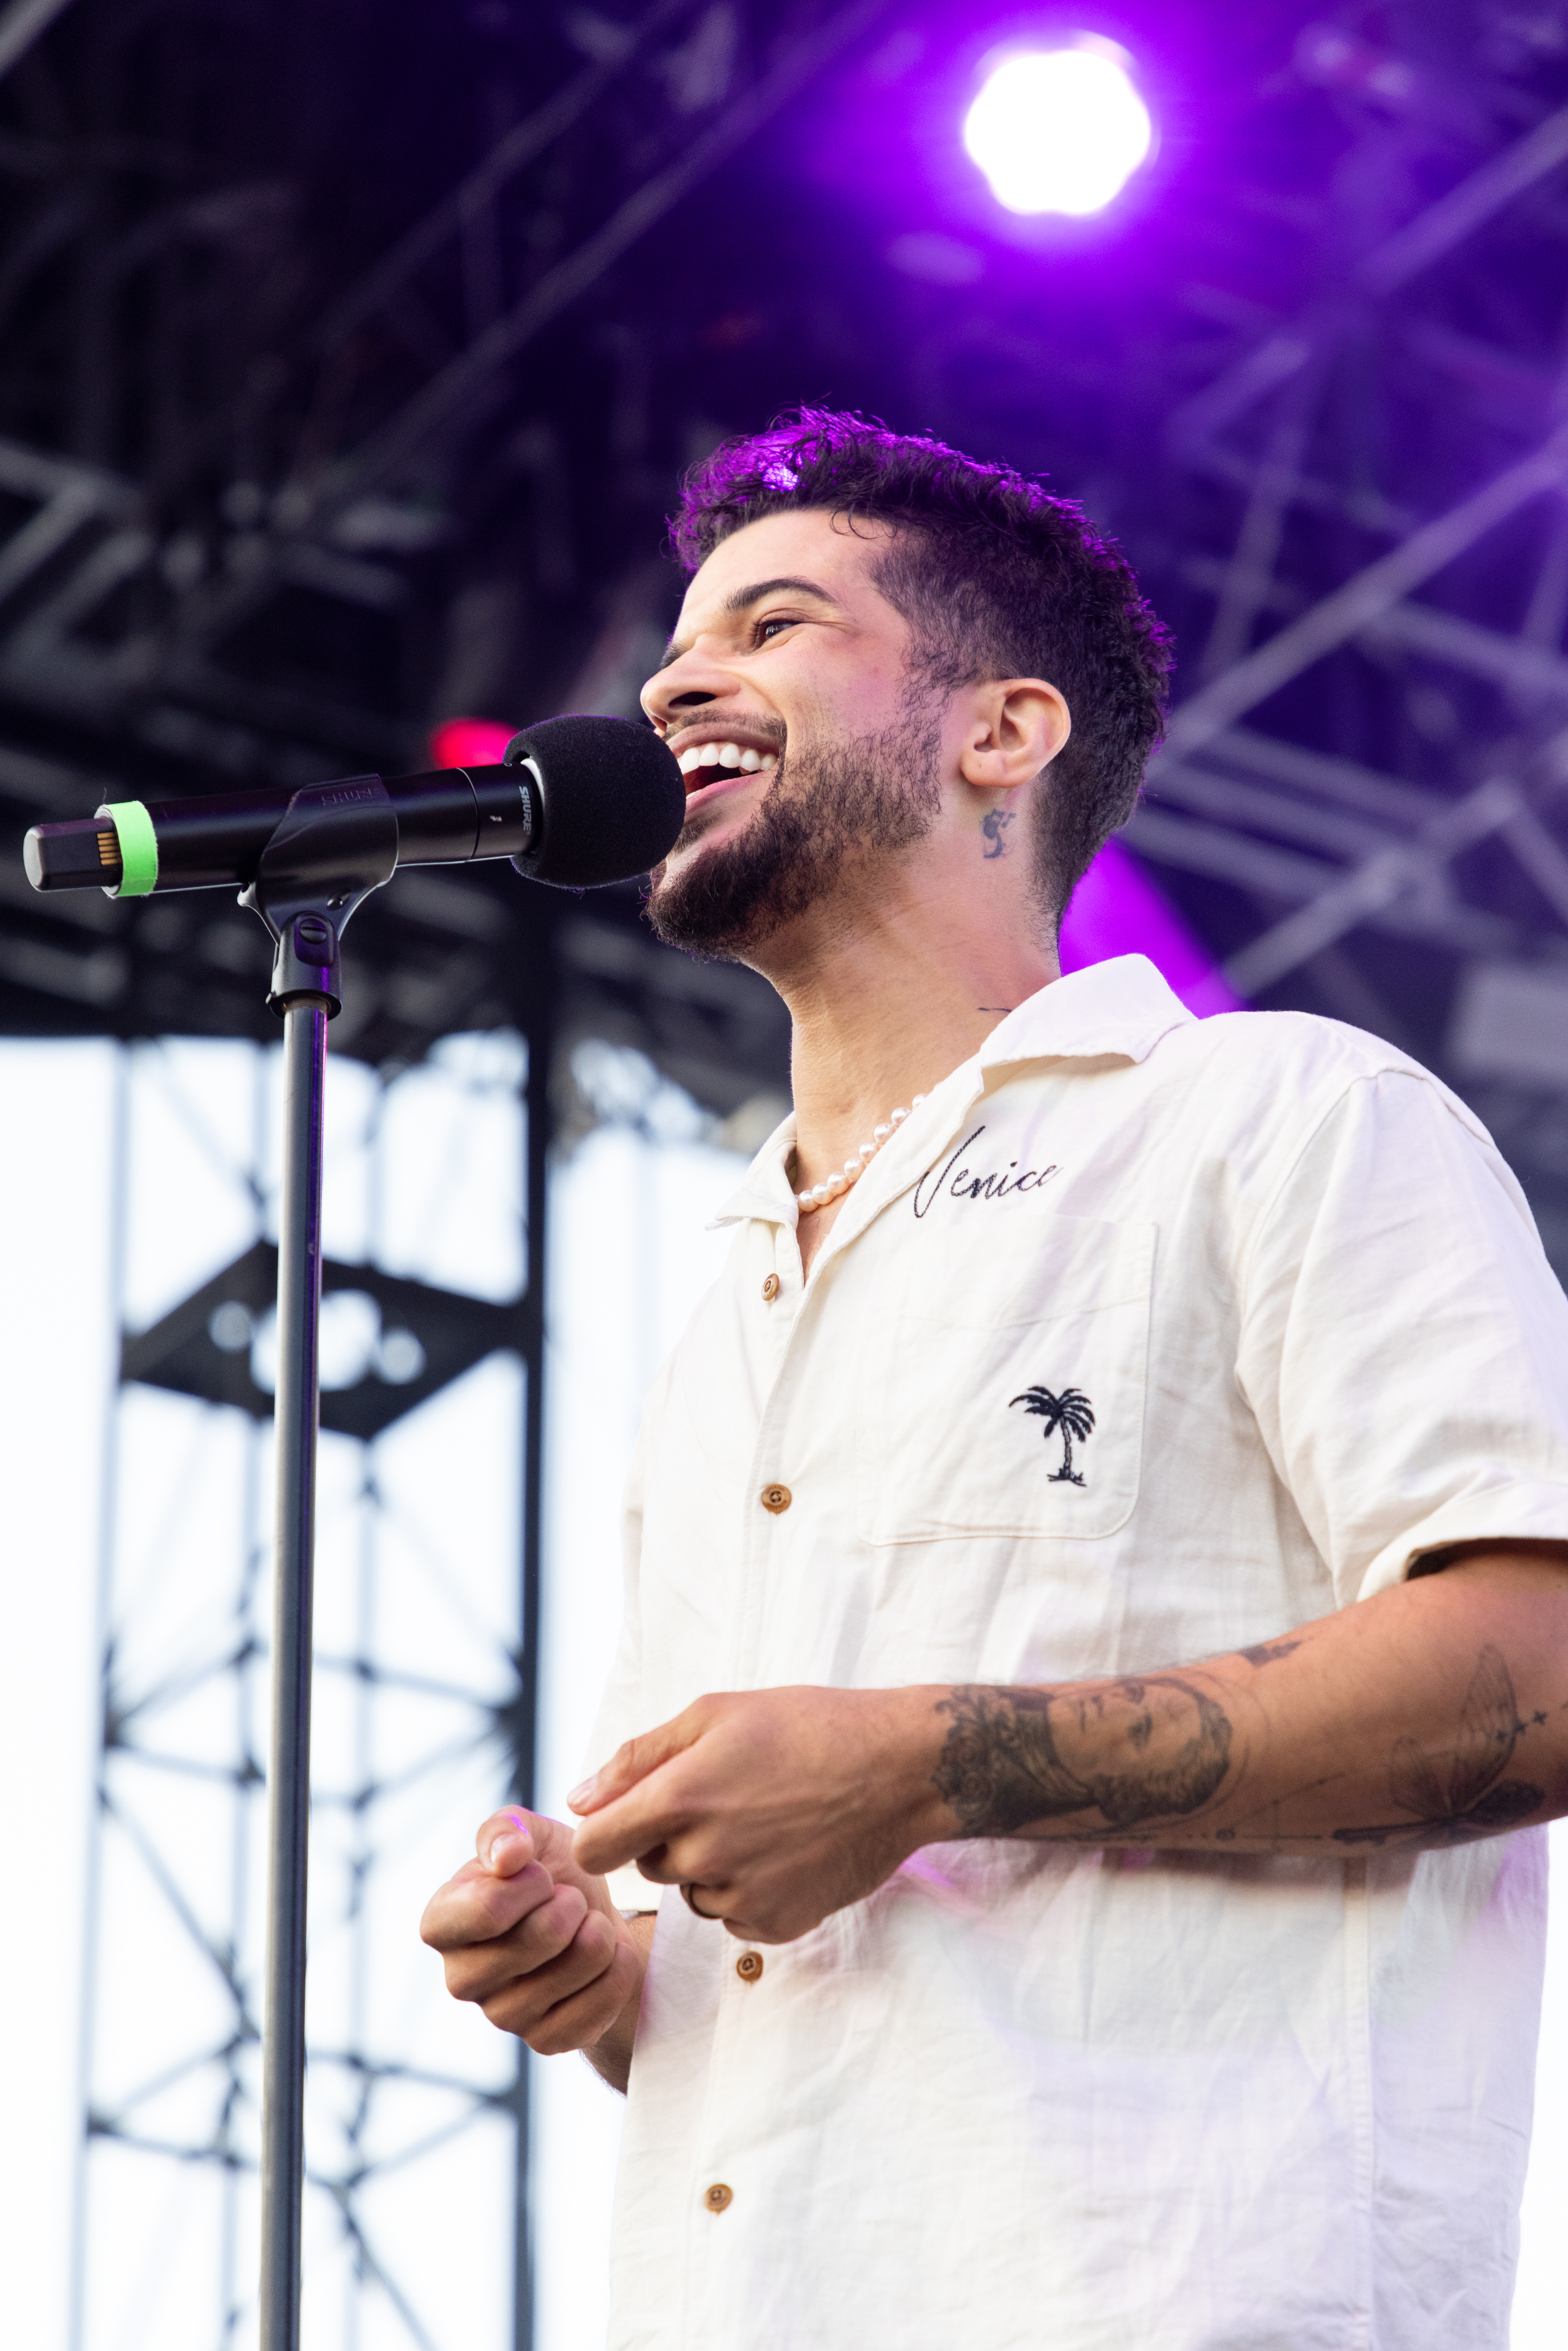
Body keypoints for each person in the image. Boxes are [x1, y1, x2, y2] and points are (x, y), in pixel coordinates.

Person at [420, 410, 1568, 2350]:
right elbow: (796, 1963)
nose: (679, 676)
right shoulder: (734, 1297)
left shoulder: (1277, 1115)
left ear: (1003, 732)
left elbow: (1540, 1664)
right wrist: (609, 1974)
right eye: (674, 646)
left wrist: (925, 1753)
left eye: (774, 624)